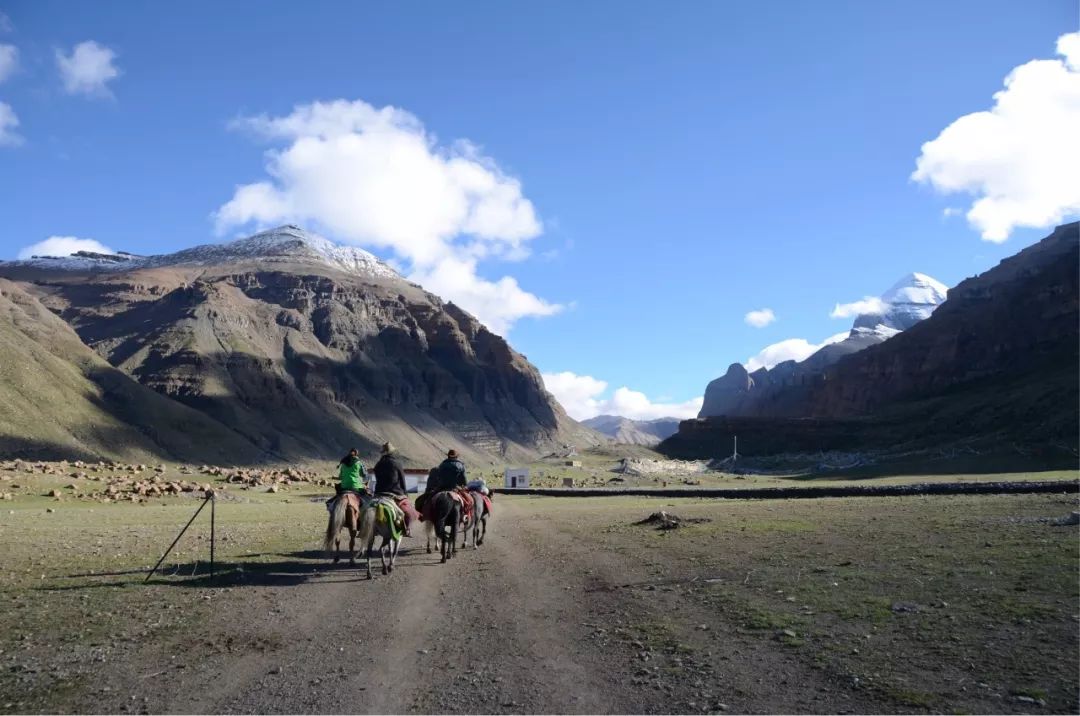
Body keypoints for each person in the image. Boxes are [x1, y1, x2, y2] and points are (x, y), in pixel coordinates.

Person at [372, 442, 418, 537]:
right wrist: (405, 493)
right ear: (392, 453)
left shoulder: (378, 464)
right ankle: (407, 529)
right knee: (410, 512)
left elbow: (377, 478)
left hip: (379, 492)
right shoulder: (397, 464)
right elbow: (402, 480)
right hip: (395, 492)